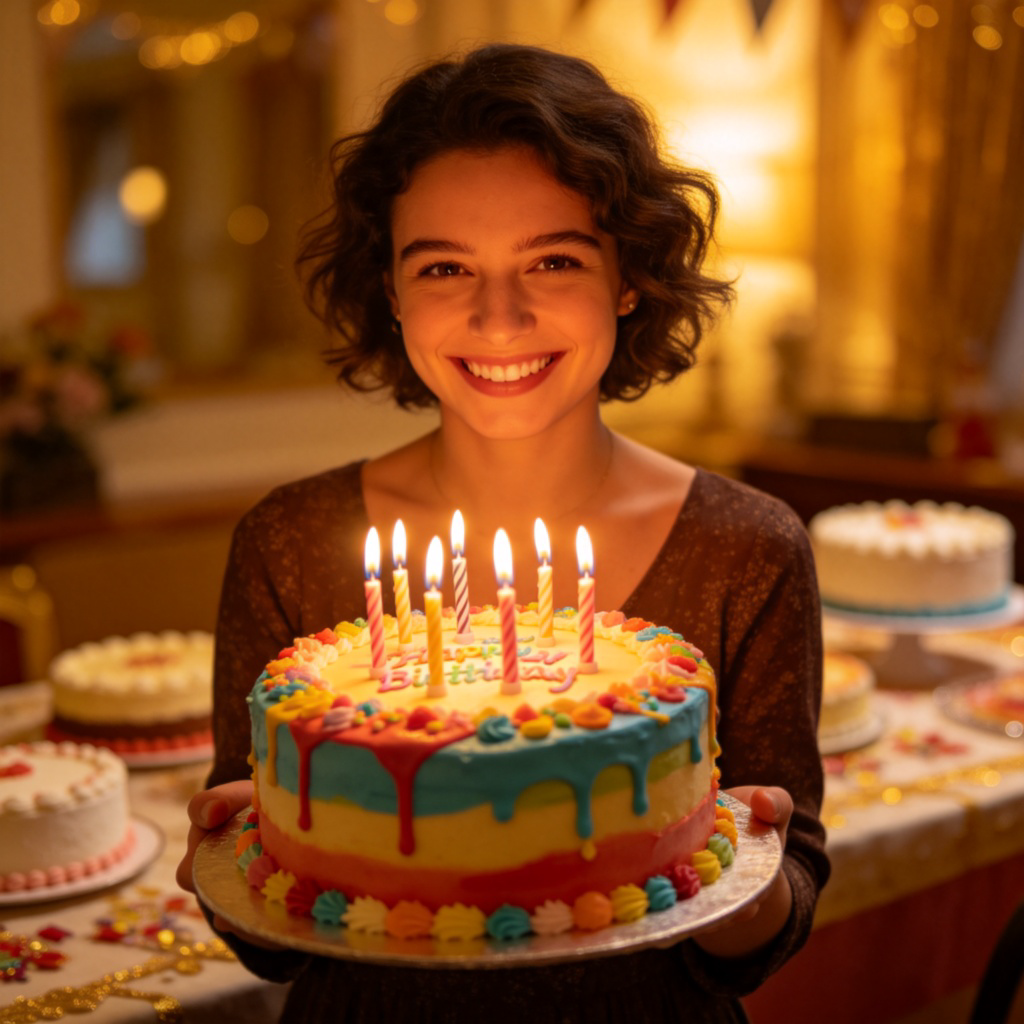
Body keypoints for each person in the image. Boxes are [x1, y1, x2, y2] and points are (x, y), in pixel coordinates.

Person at [176, 42, 829, 1023]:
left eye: (553, 259)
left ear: (628, 278)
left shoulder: (748, 546)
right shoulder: (289, 538)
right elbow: (271, 936)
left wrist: (746, 862)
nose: (500, 315)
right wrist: (236, 862)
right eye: (444, 266)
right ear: (392, 292)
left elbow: (765, 932)